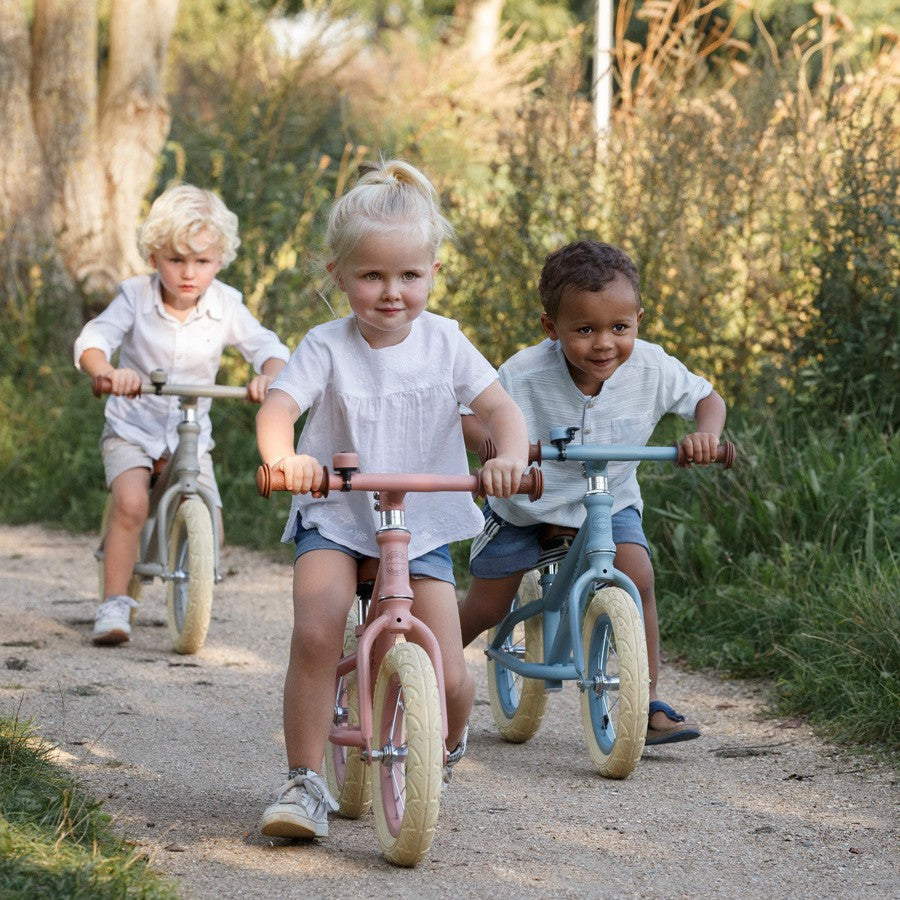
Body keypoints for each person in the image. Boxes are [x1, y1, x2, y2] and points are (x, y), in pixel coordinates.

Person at [255, 159, 529, 840]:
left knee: (449, 673)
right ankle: (304, 782)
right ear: (338, 275)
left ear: (433, 271)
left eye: (409, 275)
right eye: (371, 276)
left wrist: (511, 455)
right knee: (318, 630)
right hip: (339, 515)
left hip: (423, 521)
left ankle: (443, 739)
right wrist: (282, 459)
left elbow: (501, 409)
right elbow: (279, 405)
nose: (391, 292)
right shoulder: (326, 345)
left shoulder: (447, 342)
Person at [458, 240, 727, 745]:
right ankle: (426, 673)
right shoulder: (524, 373)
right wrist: (497, 455)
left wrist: (704, 435)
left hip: (609, 500)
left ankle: (645, 702)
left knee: (639, 575)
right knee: (488, 606)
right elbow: (474, 418)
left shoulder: (652, 367)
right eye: (584, 330)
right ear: (550, 328)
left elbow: (707, 398)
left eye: (619, 328)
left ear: (638, 320)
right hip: (526, 504)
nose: (604, 343)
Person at [74, 184, 289, 646]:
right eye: (176, 260)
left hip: (190, 435)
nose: (189, 273)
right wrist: (109, 371)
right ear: (153, 257)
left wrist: (269, 377)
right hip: (132, 428)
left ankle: (194, 591)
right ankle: (114, 602)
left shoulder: (225, 304)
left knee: (210, 515)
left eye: (202, 262)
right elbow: (94, 338)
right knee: (131, 505)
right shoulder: (134, 297)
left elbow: (268, 347)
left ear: (220, 260)